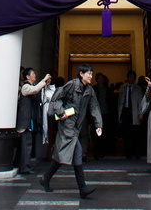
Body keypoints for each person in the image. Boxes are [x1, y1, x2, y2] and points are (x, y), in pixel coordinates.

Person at [38, 63, 103, 199]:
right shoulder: (71, 85)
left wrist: (98, 124)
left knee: (62, 155)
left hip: (76, 126)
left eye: (91, 73)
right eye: (89, 73)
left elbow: (94, 107)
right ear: (81, 74)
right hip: (67, 124)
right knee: (77, 151)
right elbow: (56, 99)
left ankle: (45, 178)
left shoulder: (89, 90)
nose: (91, 76)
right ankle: (82, 187)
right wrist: (61, 112)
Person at [16, 67, 50, 175]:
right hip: (25, 122)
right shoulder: (25, 87)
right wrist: (43, 81)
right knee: (26, 144)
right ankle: (24, 167)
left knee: (24, 145)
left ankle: (19, 164)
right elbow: (35, 90)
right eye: (33, 74)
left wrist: (45, 84)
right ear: (27, 77)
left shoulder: (30, 87)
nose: (34, 75)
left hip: (29, 121)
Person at [118, 69, 143, 158]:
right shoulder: (123, 88)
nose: (131, 79)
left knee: (135, 134)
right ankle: (128, 153)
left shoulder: (138, 89)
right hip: (125, 112)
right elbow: (120, 101)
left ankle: (136, 153)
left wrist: (140, 113)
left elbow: (140, 102)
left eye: (133, 78)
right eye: (130, 77)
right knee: (126, 134)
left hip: (134, 112)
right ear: (127, 78)